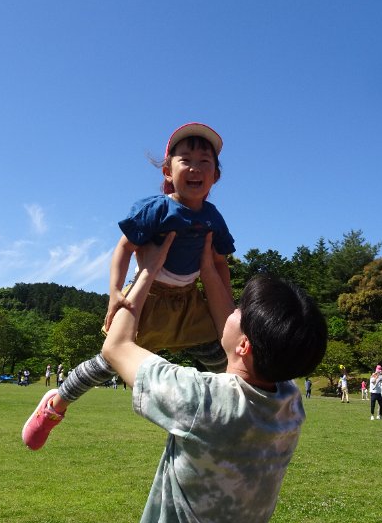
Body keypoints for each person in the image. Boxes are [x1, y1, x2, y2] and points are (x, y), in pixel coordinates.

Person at [24, 231, 327, 523]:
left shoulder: (204, 401)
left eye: (238, 310)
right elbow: (233, 337)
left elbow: (116, 347)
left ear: (245, 345)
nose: (230, 310)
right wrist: (209, 270)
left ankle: (54, 406)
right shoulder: (288, 400)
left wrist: (148, 272)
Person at [23, 123, 235, 440]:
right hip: (148, 297)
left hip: (188, 302)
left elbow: (219, 264)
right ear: (167, 171)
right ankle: (56, 403)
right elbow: (124, 247)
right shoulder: (157, 208)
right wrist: (113, 293)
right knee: (107, 362)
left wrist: (229, 312)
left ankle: (234, 415)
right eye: (185, 159)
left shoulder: (214, 218)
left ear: (215, 176)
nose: (195, 168)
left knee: (224, 356)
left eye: (205, 162)